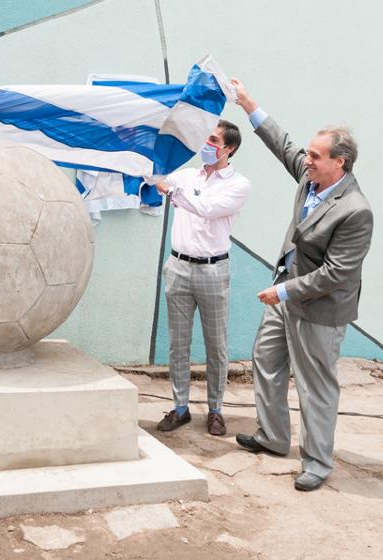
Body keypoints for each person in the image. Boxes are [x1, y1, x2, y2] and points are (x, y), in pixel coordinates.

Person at [231, 78, 373, 491]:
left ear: (339, 163)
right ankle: (273, 437)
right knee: (266, 362)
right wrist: (249, 104)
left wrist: (284, 291)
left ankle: (317, 462)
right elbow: (284, 145)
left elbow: (337, 273)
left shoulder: (355, 210)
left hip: (319, 308)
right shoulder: (311, 178)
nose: (306, 160)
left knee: (315, 386)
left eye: (315, 155)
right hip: (286, 292)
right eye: (308, 154)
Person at [154, 121, 251, 436]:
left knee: (215, 345)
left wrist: (174, 192)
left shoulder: (238, 185)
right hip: (178, 266)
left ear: (229, 148)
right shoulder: (184, 175)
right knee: (178, 344)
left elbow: (207, 209)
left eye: (213, 140)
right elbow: (155, 178)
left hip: (212, 269)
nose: (206, 144)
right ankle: (180, 408)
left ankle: (215, 410)